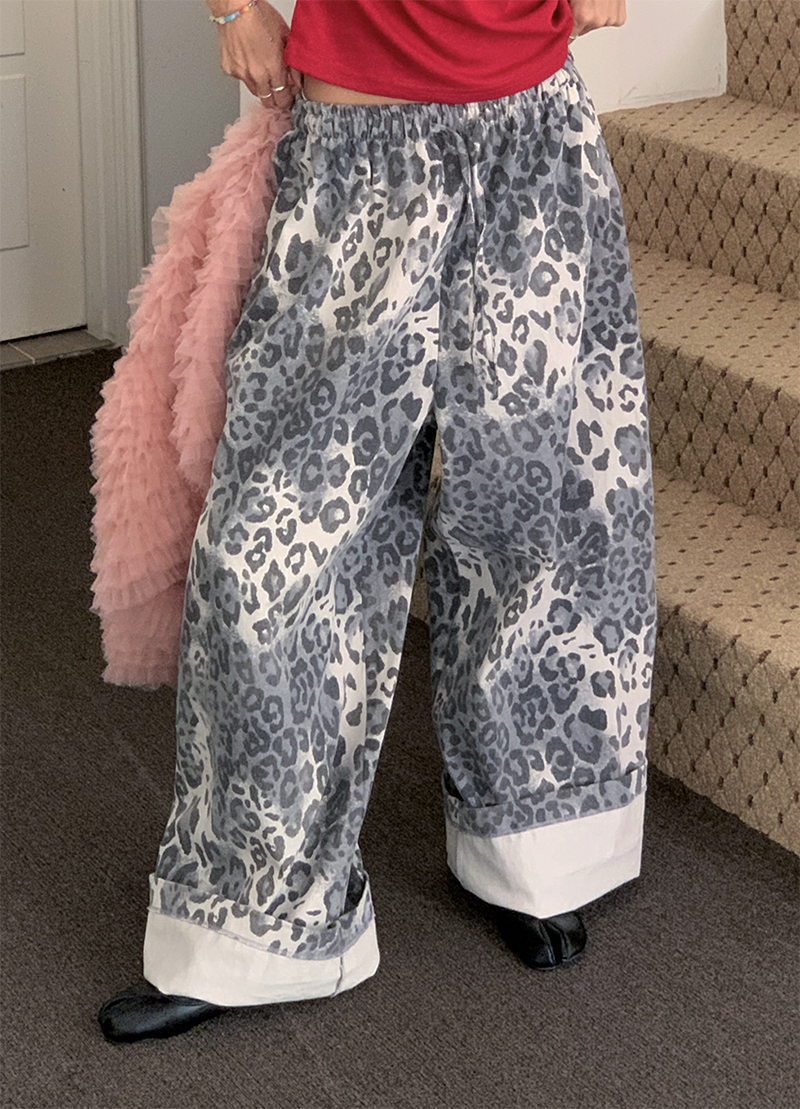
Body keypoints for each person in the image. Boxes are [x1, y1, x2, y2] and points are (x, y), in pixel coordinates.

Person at [99, 0, 655, 1043]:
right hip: (357, 148)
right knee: (271, 544)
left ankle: (533, 849)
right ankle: (251, 920)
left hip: (533, 137)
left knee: (538, 509)